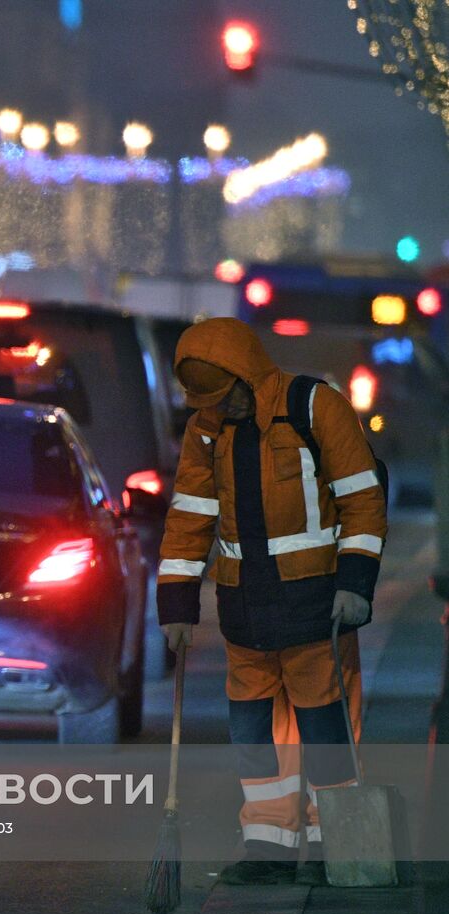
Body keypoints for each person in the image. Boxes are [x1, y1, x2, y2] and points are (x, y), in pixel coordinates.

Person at [157, 316, 387, 885]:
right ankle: (269, 842)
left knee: (323, 724)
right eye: (204, 401)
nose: (215, 409)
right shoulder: (207, 430)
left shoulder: (315, 408)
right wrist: (177, 607)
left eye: (222, 397)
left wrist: (355, 587)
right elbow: (190, 518)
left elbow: (362, 500)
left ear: (247, 376)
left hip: (315, 607)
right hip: (245, 611)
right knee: (254, 727)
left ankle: (333, 836)